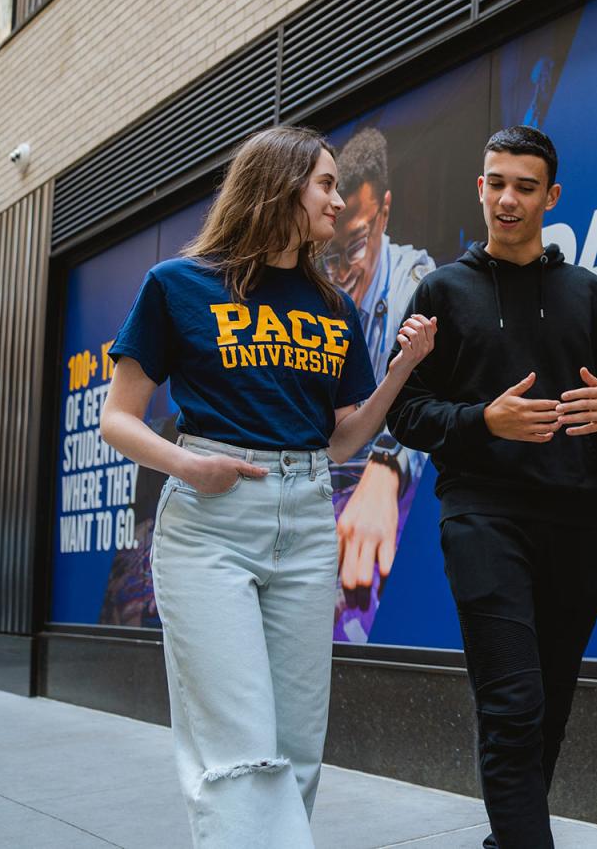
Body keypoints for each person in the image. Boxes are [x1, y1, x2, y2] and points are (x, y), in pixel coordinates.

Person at [99, 125, 437, 847]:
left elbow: (343, 437)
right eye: (324, 183)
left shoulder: (333, 309)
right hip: (211, 522)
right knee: (239, 748)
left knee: (297, 747)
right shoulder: (177, 286)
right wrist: (189, 466)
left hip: (308, 518)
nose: (336, 199)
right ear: (280, 184)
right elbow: (118, 422)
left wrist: (402, 370)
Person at [387, 125, 597, 849]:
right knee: (512, 702)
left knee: (547, 706)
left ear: (551, 196)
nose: (507, 199)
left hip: (577, 523)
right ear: (479, 186)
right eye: (496, 182)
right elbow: (404, 411)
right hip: (482, 519)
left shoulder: (589, 295)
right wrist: (484, 420)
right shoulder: (441, 290)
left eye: (524, 187)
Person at [320, 125, 437, 642]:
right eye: (328, 255)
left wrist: (387, 467)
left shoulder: (419, 285)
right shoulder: (317, 296)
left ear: (384, 212)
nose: (341, 274)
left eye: (356, 247)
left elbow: (431, 392)